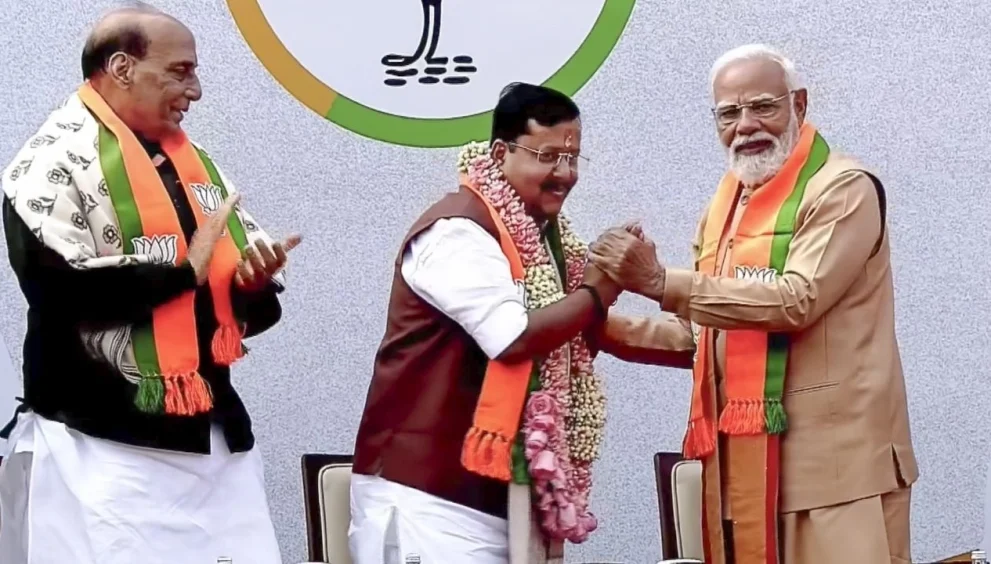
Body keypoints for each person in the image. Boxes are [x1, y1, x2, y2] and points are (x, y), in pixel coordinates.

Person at [588, 44, 918, 564]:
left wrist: (657, 281)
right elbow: (703, 337)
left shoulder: (842, 190)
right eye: (729, 113)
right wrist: (595, 325)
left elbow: (795, 300)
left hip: (836, 475)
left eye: (763, 106)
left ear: (799, 104)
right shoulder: (725, 206)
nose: (745, 126)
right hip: (741, 472)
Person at [0, 6, 299, 563]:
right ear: (122, 67)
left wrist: (250, 286)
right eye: (180, 71)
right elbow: (59, 295)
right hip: (101, 444)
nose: (196, 91)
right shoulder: (48, 164)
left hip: (214, 442)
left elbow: (242, 314)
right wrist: (182, 274)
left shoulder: (195, 165)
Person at [349, 82, 653, 564]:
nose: (564, 174)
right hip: (428, 502)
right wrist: (600, 289)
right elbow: (512, 337)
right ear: (499, 153)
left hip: (499, 503)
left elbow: (568, 335)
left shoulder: (543, 239)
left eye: (573, 159)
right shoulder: (456, 232)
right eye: (547, 156)